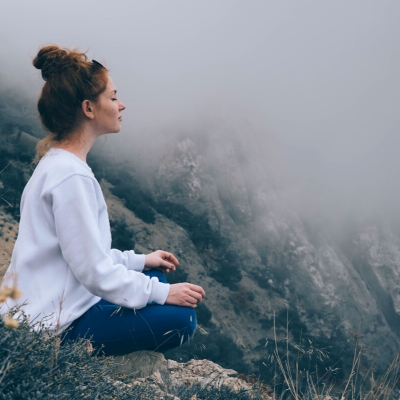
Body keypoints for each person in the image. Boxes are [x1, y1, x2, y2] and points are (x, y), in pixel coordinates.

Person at [0, 45, 206, 356]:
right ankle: (70, 357)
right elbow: (93, 270)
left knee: (152, 275)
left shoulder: (57, 164)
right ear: (88, 108)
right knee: (182, 319)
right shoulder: (72, 177)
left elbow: (80, 253)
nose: (121, 104)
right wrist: (161, 293)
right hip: (50, 330)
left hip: (46, 308)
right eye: (112, 97)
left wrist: (140, 261)